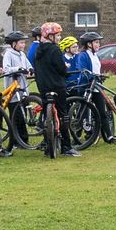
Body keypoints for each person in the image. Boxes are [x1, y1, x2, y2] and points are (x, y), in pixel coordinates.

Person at [33, 22, 80, 157]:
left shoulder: (38, 50)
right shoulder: (54, 50)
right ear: (50, 36)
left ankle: (47, 145)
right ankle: (66, 146)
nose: (59, 38)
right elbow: (60, 69)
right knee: (63, 115)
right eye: (58, 35)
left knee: (46, 114)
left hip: (43, 86)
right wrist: (65, 67)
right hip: (57, 86)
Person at [73, 31, 114, 141]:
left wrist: (100, 76)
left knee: (102, 112)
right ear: (89, 44)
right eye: (96, 42)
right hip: (86, 87)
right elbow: (83, 69)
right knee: (82, 113)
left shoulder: (95, 55)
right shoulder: (83, 55)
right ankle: (76, 135)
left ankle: (109, 136)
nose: (98, 45)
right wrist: (90, 75)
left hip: (96, 87)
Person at [2, 30, 33, 151]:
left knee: (23, 113)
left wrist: (30, 69)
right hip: (13, 90)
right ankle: (16, 140)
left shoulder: (22, 54)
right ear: (13, 44)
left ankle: (23, 140)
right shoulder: (8, 54)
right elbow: (6, 69)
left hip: (23, 88)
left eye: (24, 43)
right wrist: (18, 68)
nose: (23, 45)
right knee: (16, 116)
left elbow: (28, 65)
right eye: (21, 43)